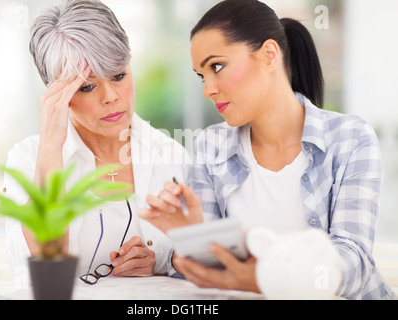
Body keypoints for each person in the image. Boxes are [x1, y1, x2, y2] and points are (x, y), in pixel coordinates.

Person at [140, 0, 395, 300]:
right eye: (201, 75)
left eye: (217, 66)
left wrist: (269, 277)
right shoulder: (210, 147)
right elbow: (207, 274)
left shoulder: (351, 139)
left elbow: (354, 263)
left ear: (269, 55)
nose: (208, 89)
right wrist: (191, 236)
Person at [3, 0, 189, 282]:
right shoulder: (27, 161)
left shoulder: (170, 155)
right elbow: (45, 264)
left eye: (119, 75)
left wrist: (158, 262)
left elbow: (200, 262)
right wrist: (52, 146)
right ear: (56, 95)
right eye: (87, 86)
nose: (111, 96)